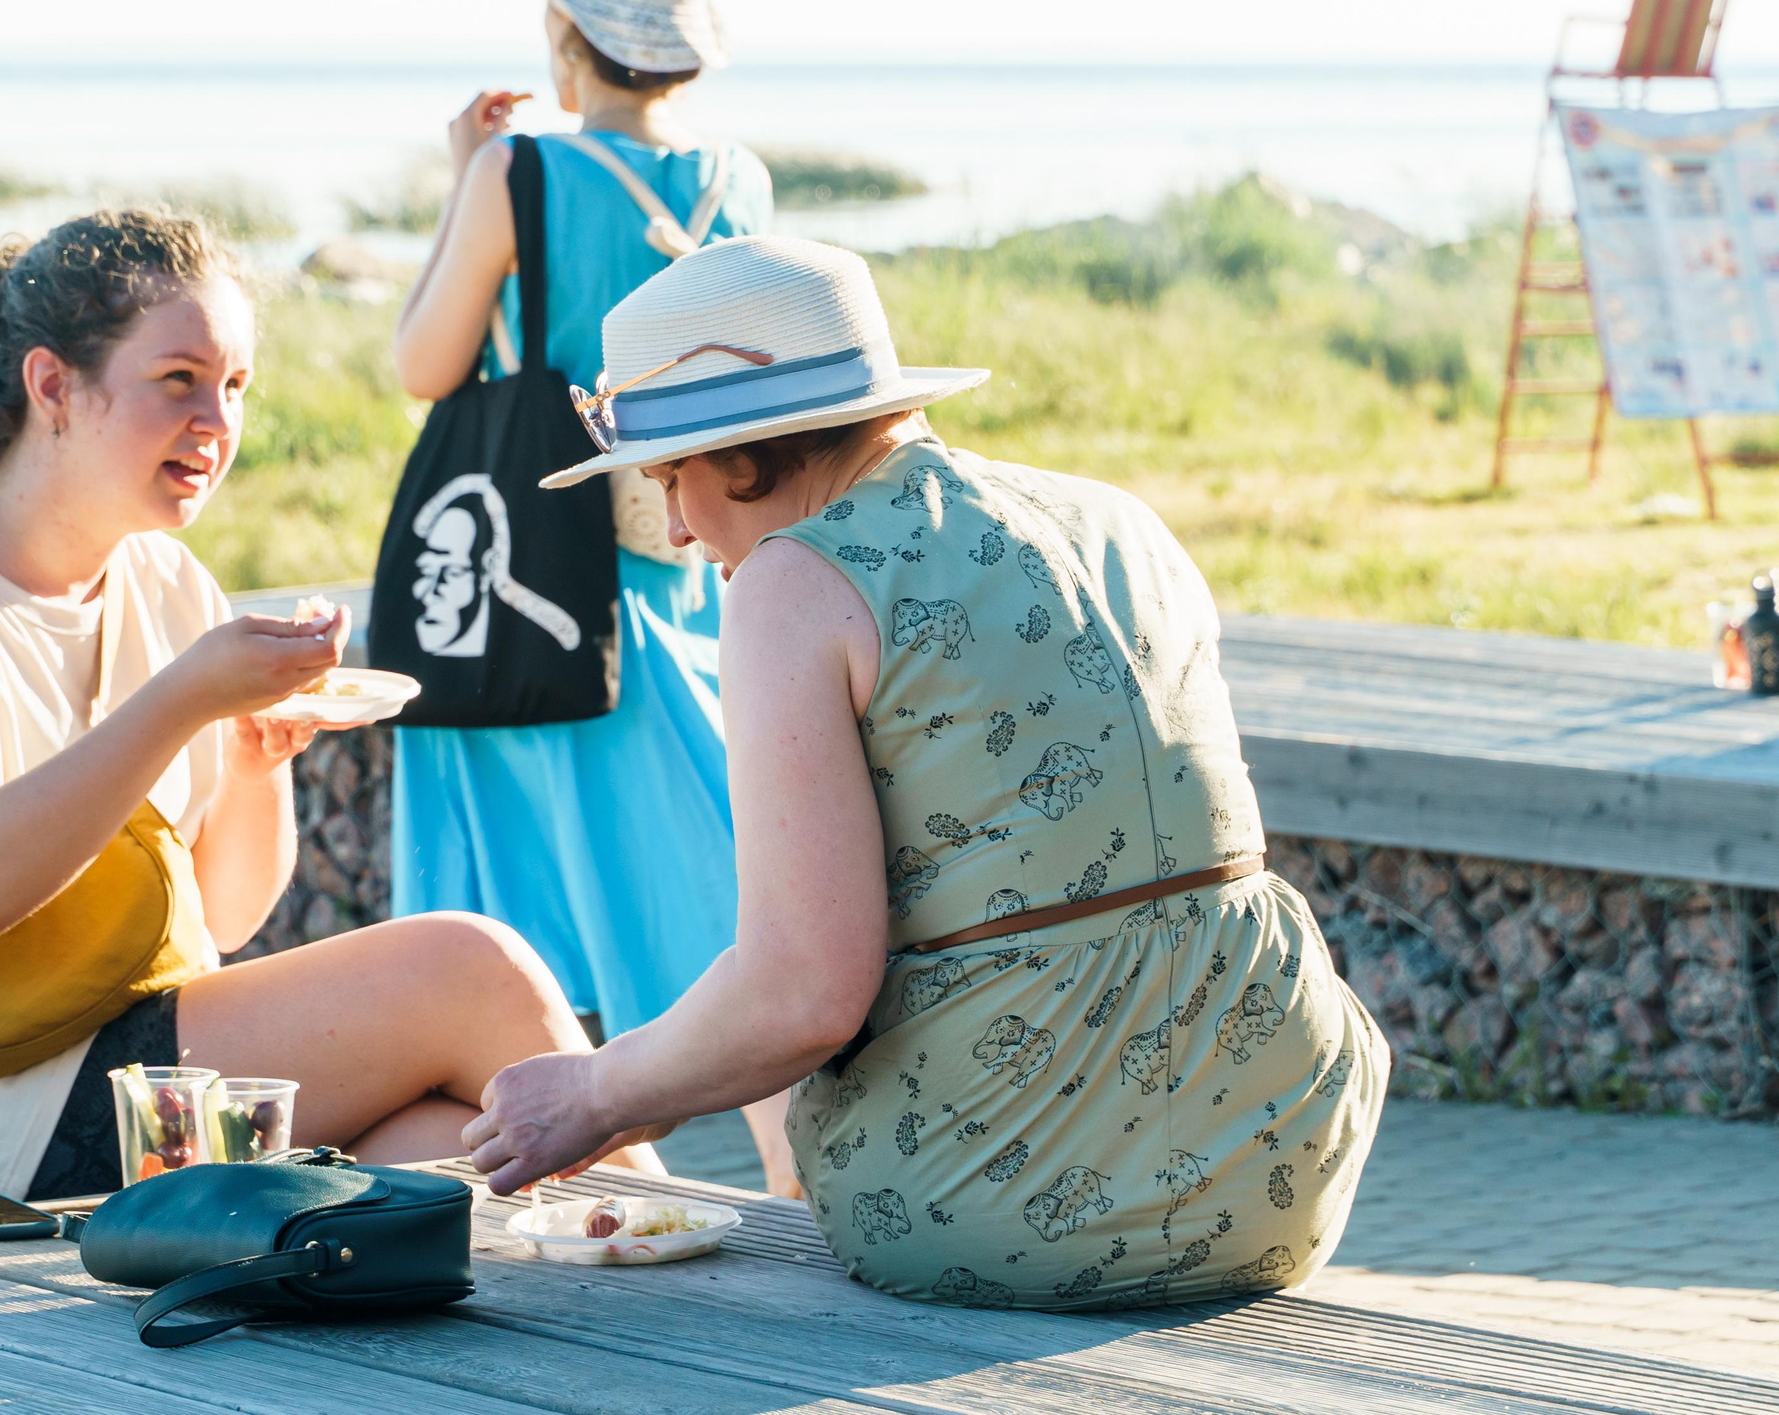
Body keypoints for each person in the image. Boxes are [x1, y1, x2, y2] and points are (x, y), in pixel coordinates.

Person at [463, 235, 1388, 1309]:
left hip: (1006, 1193)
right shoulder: (1116, 517)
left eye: (674, 474)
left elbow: (802, 994)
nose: (673, 526)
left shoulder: (793, 583)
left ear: (750, 448)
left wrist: (597, 1090)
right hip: (1282, 1163)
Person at [0, 209, 658, 1203]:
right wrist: (177, 702)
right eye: (178, 381)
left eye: (234, 386)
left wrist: (251, 758)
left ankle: (661, 1264)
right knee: (467, 967)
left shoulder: (167, 584)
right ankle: (700, 1258)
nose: (217, 421)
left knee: (450, 1148)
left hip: (134, 1072)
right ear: (51, 385)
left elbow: (227, 916)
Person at [390, 0, 791, 1187]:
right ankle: (796, 1180)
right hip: (683, 585)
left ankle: (572, 1208)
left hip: (537, 607)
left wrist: (467, 190)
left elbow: (424, 361)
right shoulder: (742, 183)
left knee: (519, 939)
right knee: (721, 903)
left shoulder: (522, 172)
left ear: (565, 27)